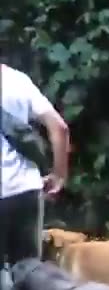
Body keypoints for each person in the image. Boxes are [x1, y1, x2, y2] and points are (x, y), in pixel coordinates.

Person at [1, 62, 71, 273]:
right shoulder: (18, 81)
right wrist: (59, 175)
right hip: (25, 191)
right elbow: (60, 128)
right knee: (29, 276)